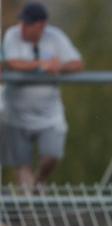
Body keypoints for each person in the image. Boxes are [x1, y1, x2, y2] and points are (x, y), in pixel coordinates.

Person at [1, 2, 83, 188]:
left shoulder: (55, 37)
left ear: (41, 26)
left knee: (52, 156)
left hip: (49, 113)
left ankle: (38, 186)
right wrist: (42, 65)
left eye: (28, 24)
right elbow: (11, 63)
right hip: (16, 113)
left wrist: (59, 67)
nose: (23, 27)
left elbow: (77, 63)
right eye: (23, 22)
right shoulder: (12, 35)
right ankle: (30, 208)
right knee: (22, 166)